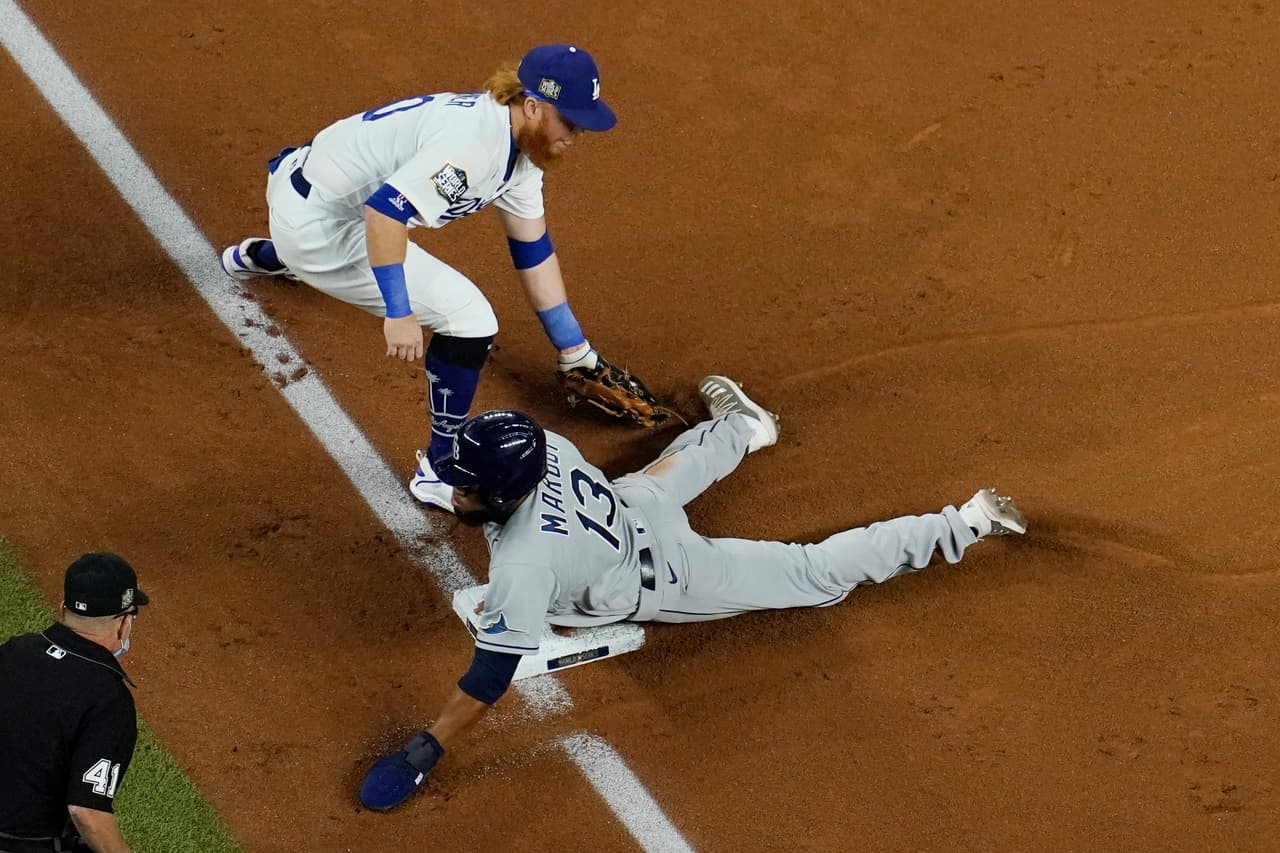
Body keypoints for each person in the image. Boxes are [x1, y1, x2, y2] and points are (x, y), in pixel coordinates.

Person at [356, 376, 1029, 811]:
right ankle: (744, 427)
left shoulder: (525, 570)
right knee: (666, 474)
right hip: (623, 507)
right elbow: (492, 498)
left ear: (502, 491)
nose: (457, 491)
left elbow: (488, 677)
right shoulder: (546, 446)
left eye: (466, 486)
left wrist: (425, 751)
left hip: (666, 572)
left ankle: (962, 522)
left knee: (811, 573)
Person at [220, 43, 659, 512]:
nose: (577, 134)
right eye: (570, 120)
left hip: (313, 192)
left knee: (372, 233)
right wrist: (398, 311)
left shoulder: (520, 146)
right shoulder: (474, 148)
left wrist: (576, 351)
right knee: (470, 321)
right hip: (323, 227)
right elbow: (384, 215)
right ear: (532, 105)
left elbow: (532, 250)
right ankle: (438, 469)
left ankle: (271, 256)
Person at [0, 553, 149, 853]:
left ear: (63, 609)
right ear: (123, 624)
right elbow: (86, 811)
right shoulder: (109, 700)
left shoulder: (14, 651)